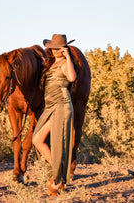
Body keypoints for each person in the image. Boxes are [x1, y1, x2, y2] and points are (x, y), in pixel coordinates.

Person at [32, 34, 77, 196]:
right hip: (50, 106)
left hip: (62, 105)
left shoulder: (66, 63)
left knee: (58, 143)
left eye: (61, 48)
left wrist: (68, 57)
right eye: (55, 48)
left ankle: (58, 181)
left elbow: (72, 77)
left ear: (65, 48)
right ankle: (59, 174)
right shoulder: (49, 63)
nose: (57, 51)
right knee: (37, 139)